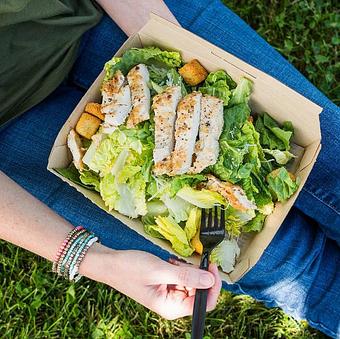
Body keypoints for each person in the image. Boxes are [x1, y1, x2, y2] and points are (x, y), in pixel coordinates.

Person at [0, 0, 339, 337]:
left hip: (103, 14)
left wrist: (172, 42)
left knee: (332, 158)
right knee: (285, 265)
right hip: (11, 122)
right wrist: (97, 261)